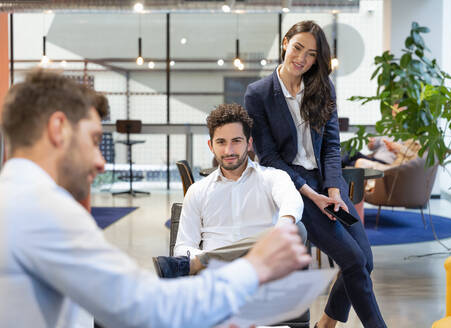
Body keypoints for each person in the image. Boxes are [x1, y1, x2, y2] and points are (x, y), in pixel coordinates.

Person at [0, 69, 311, 328]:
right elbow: (147, 307)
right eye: (95, 139)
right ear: (58, 129)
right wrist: (254, 268)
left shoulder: (15, 201)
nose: (101, 162)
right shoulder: (43, 211)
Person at [244, 21, 387, 328]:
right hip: (292, 186)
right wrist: (309, 193)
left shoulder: (322, 88)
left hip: (326, 182)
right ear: (285, 43)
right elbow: (267, 156)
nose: (302, 59)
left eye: (311, 54)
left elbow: (332, 146)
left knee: (365, 260)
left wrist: (334, 189)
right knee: (353, 259)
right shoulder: (258, 94)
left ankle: (327, 322)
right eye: (298, 48)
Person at [153, 104, 306, 277]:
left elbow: (292, 201)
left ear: (249, 143)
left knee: (298, 229)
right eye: (221, 142)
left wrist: (282, 227)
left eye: (236, 141)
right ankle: (210, 261)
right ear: (211, 146)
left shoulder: (274, 177)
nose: (229, 150)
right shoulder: (198, 191)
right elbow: (183, 246)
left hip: (260, 271)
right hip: (216, 276)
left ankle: (205, 261)